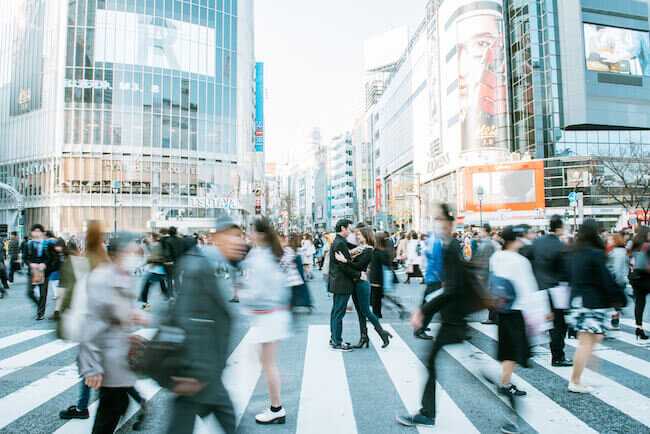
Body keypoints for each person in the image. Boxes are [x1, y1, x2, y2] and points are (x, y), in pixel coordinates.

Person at [166, 216, 247, 434]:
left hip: (206, 372)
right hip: (197, 374)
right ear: (218, 239)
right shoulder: (198, 268)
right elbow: (185, 319)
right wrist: (193, 371)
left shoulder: (205, 266)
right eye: (234, 237)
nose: (240, 243)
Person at [397, 204, 470, 428]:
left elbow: (453, 288)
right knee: (467, 368)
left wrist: (424, 310)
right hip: (454, 315)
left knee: (471, 370)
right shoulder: (450, 245)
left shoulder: (451, 246)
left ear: (449, 223)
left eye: (440, 220)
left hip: (454, 317)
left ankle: (427, 413)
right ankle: (427, 412)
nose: (436, 224)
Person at [78, 233, 150, 433]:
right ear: (118, 253)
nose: (136, 254)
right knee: (111, 409)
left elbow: (114, 312)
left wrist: (131, 315)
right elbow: (92, 323)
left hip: (117, 354)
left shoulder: (121, 275)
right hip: (106, 356)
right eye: (131, 250)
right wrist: (90, 366)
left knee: (117, 404)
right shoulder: (104, 278)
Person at [240, 218, 291, 424]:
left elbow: (256, 291)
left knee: (267, 364)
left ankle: (276, 407)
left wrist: (243, 294)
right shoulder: (271, 253)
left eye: (251, 232)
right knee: (265, 362)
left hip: (267, 315)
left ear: (259, 235)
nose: (249, 235)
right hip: (274, 314)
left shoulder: (259, 257)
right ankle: (276, 400)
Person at [566, 219, 624, 394]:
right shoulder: (594, 253)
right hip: (592, 302)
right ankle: (575, 380)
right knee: (587, 342)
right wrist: (618, 298)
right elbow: (605, 278)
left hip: (579, 300)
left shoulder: (575, 252)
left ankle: (590, 374)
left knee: (591, 340)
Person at [335, 227, 391, 348]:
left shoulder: (369, 250)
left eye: (360, 235)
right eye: (357, 234)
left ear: (366, 236)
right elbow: (345, 244)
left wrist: (345, 261)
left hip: (362, 284)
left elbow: (358, 265)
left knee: (366, 311)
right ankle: (364, 337)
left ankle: (382, 332)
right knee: (360, 312)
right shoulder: (359, 248)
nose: (357, 236)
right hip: (355, 283)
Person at [528, 215, 573, 367]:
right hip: (555, 289)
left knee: (536, 320)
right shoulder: (561, 247)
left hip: (538, 286)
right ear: (559, 228)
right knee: (558, 324)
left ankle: (528, 349)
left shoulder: (537, 242)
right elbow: (565, 271)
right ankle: (558, 356)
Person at [328, 219, 366, 351]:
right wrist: (358, 274)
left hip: (338, 282)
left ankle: (334, 338)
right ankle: (337, 341)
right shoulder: (339, 243)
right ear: (343, 228)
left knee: (336, 312)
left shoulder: (339, 242)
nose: (349, 232)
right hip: (342, 282)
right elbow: (344, 266)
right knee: (338, 312)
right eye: (349, 229)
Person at [24, 224, 53, 320]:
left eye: (38, 231)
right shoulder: (28, 244)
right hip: (32, 271)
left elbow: (52, 257)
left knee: (43, 293)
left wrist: (44, 264)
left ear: (42, 233)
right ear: (31, 233)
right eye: (34, 231)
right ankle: (38, 304)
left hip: (43, 271)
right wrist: (30, 264)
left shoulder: (47, 244)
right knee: (29, 292)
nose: (36, 233)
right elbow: (25, 258)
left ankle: (41, 313)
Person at [477, 224, 501, 325]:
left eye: (481, 230)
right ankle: (493, 316)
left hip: (486, 274)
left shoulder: (488, 244)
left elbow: (486, 261)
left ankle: (493, 316)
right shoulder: (486, 243)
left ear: (485, 231)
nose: (480, 232)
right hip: (486, 273)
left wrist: (481, 274)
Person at [628, 225, 649, 340]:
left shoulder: (633, 246)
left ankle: (639, 327)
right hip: (647, 277)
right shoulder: (647, 245)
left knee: (639, 303)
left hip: (635, 278)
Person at [138, 232, 168, 310]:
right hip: (160, 271)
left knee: (145, 285)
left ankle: (144, 302)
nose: (150, 239)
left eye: (150, 237)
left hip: (156, 271)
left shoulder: (158, 245)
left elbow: (153, 258)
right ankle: (168, 296)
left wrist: (142, 264)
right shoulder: (158, 245)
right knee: (160, 285)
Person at [607, 233, 628, 330]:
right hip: (618, 279)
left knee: (615, 303)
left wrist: (616, 282)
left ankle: (615, 322)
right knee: (615, 303)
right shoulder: (620, 251)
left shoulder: (617, 253)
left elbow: (617, 269)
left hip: (616, 280)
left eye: (610, 239)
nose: (608, 241)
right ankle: (615, 320)